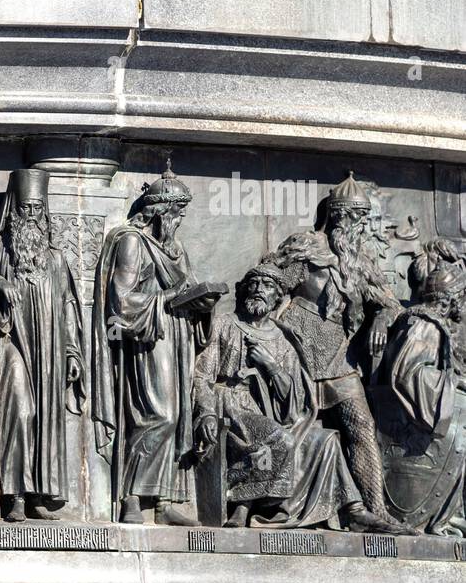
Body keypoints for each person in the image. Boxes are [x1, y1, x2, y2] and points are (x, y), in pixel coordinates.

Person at [193, 264, 398, 531]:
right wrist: (207, 412)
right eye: (253, 285)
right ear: (242, 291)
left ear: (277, 296)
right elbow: (202, 376)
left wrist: (271, 367)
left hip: (268, 413)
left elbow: (293, 399)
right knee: (280, 439)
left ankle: (353, 510)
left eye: (267, 286)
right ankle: (243, 506)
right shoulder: (224, 325)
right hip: (229, 405)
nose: (258, 291)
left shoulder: (281, 339)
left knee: (325, 440)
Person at [267, 172, 402, 522]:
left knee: (360, 425)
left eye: (361, 219)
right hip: (295, 346)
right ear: (337, 216)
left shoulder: (361, 261)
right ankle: (281, 501)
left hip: (338, 354)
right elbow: (270, 280)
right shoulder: (307, 245)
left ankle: (374, 512)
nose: (356, 226)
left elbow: (389, 303)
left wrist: (380, 320)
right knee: (296, 427)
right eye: (351, 218)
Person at [91, 162, 217, 525]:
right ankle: (132, 497)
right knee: (156, 415)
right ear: (160, 212)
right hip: (147, 337)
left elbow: (187, 287)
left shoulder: (175, 247)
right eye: (178, 214)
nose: (180, 221)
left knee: (177, 418)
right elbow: (121, 299)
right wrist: (169, 298)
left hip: (177, 337)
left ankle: (162, 502)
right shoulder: (132, 242)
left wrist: (202, 305)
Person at [0, 169, 84, 521]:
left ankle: (37, 494)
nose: (32, 216)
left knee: (46, 417)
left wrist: (71, 351)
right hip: (7, 344)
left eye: (38, 209)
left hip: (48, 349)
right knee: (22, 411)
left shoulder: (56, 259)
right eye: (25, 209)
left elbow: (67, 307)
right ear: (12, 210)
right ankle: (14, 495)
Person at [376, 266, 466, 535]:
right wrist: (452, 383)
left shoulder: (425, 324)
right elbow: (406, 374)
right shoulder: (424, 326)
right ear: (452, 298)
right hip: (409, 421)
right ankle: (450, 514)